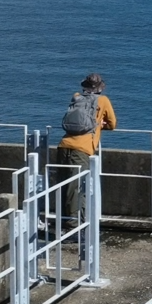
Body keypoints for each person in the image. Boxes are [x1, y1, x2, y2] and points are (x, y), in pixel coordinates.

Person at [58, 74, 116, 223]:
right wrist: (100, 124)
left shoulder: (76, 97)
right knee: (78, 189)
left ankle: (67, 222)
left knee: (63, 187)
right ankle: (73, 228)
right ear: (100, 88)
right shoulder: (103, 100)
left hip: (64, 145)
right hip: (82, 150)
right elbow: (112, 124)